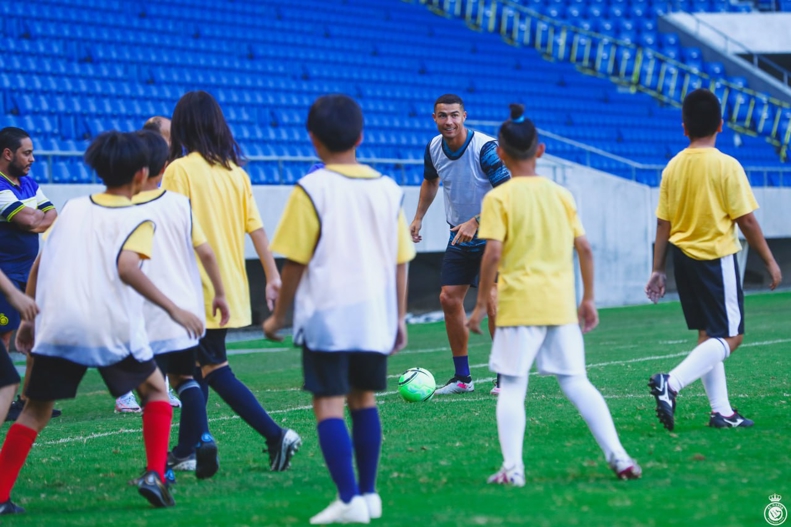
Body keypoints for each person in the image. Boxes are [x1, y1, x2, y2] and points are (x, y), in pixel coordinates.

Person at [0, 131, 205, 515]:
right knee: (156, 393)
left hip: (58, 323)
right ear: (143, 173)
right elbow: (128, 268)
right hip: (110, 325)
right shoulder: (140, 215)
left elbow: (41, 265)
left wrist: (29, 316)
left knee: (34, 411)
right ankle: (156, 475)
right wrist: (175, 309)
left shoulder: (74, 208)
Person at [466, 104, 641, 485]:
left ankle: (513, 469)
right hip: (560, 305)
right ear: (540, 150)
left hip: (519, 305)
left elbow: (493, 252)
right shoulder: (562, 194)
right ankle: (620, 458)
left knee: (513, 386)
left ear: (501, 155)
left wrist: (480, 304)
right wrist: (588, 298)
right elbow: (585, 248)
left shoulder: (499, 199)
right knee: (577, 382)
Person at [263, 94, 414, 525]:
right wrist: (398, 317)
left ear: (313, 140)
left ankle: (348, 498)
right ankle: (368, 495)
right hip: (372, 316)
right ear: (361, 136)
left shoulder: (311, 188)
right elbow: (401, 260)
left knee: (328, 405)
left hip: (327, 317)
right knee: (364, 400)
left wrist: (278, 316)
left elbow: (296, 261)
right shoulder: (388, 189)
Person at [162, 90, 301, 472]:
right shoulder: (235, 172)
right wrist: (271, 276)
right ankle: (190, 448)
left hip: (196, 287)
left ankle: (276, 435)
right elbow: (256, 229)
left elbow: (174, 229)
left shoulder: (179, 170)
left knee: (211, 369)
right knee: (194, 371)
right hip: (230, 288)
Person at [645, 89, 781, 431]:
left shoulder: (673, 166)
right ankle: (671, 383)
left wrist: (658, 269)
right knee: (732, 337)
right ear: (721, 125)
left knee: (709, 336)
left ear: (684, 127)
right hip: (716, 258)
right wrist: (770, 261)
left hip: (683, 260)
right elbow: (746, 220)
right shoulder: (727, 165)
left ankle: (721, 411)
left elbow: (664, 222)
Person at [133, 130, 230, 479]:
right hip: (188, 311)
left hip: (148, 312)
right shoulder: (179, 203)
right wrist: (219, 292)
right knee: (185, 378)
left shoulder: (129, 207)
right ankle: (201, 439)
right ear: (164, 165)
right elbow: (205, 251)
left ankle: (159, 469)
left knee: (152, 389)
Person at [410, 94, 510, 396]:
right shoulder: (433, 148)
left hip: (494, 234)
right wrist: (418, 217)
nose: (449, 121)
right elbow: (430, 181)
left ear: (464, 116)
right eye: (442, 116)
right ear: (434, 118)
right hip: (460, 235)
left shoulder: (485, 149)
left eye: (454, 115)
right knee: (448, 299)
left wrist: (477, 220)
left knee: (493, 300)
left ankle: (506, 376)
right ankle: (463, 378)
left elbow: (508, 192)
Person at [115, 118, 179, 413]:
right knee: (133, 323)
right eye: (169, 134)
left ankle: (160, 386)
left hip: (157, 253)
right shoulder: (137, 169)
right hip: (134, 252)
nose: (174, 139)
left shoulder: (170, 169)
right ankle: (125, 391)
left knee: (154, 325)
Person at [0, 127, 59, 422]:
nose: (33, 158)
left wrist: (34, 221)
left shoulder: (28, 183)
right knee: (4, 334)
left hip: (30, 274)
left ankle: (27, 399)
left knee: (36, 334)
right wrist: (35, 219)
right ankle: (5, 399)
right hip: (5, 275)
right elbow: (32, 217)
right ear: (7, 154)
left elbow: (51, 216)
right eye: (27, 153)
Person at [0, 269, 37, 425]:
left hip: (23, 272)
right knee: (7, 382)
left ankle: (28, 400)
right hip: (8, 272)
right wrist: (12, 293)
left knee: (9, 382)